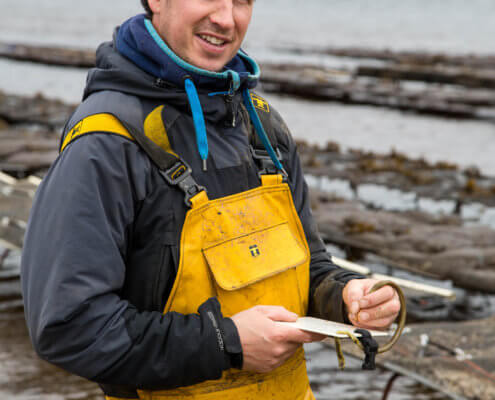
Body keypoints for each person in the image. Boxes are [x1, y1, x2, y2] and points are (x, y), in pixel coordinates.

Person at [21, 1, 401, 399]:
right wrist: (225, 343)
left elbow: (310, 265)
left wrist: (344, 296)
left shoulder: (263, 128)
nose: (225, 18)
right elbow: (69, 327)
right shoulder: (106, 143)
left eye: (241, 1)